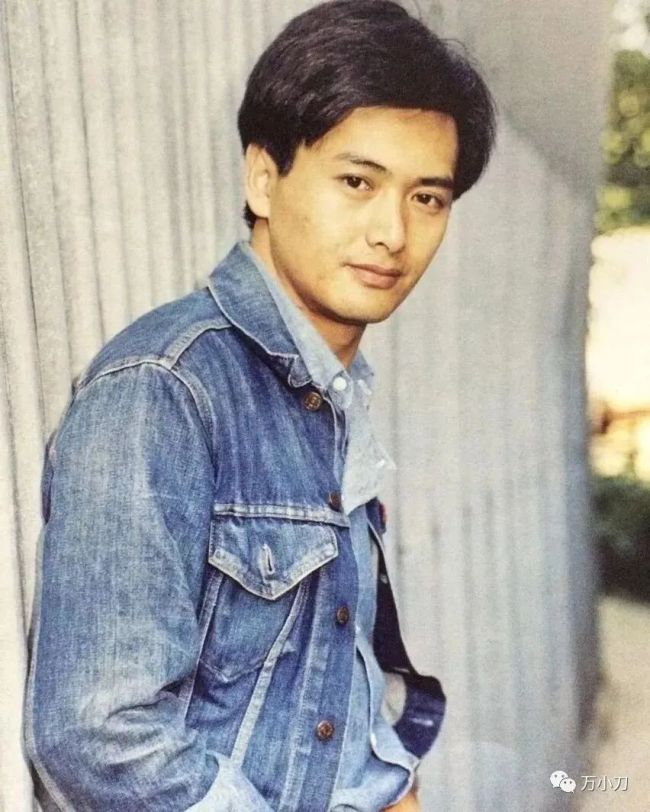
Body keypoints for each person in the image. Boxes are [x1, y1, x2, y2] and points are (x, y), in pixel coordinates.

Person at [24, 1, 496, 809]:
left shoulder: (328, 391)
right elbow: (97, 734)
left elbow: (313, 673)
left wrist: (391, 776)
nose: (393, 232)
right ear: (263, 178)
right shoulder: (167, 388)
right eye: (357, 182)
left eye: (428, 198)